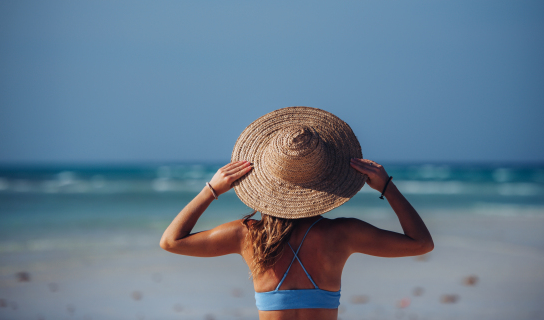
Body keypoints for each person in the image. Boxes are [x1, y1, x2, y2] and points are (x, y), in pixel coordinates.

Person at [160, 107, 433, 320]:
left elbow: (171, 241)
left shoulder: (248, 236)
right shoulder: (343, 234)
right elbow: (421, 243)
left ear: (266, 181)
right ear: (327, 180)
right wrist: (388, 187)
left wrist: (211, 190)